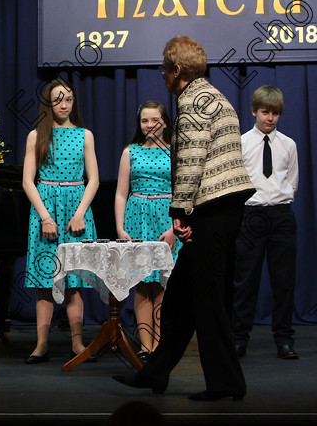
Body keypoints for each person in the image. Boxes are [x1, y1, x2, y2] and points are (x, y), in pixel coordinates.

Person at [113, 35, 254, 401]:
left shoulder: (191, 102)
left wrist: (179, 213)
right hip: (225, 208)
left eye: (164, 69)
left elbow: (191, 162)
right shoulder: (215, 96)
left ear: (177, 70)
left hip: (212, 209)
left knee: (208, 301)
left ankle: (226, 384)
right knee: (181, 298)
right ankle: (155, 374)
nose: (162, 76)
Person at [22, 79, 99, 363]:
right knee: (45, 279)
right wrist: (45, 217)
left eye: (68, 99)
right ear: (49, 104)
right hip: (46, 211)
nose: (64, 105)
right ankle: (41, 344)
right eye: (58, 100)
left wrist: (80, 214)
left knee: (75, 280)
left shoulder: (85, 135)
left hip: (76, 210)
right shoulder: (36, 136)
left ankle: (77, 343)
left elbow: (94, 180)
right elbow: (28, 181)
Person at [232, 86, 299, 360]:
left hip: (281, 215)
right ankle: (238, 338)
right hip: (251, 216)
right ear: (254, 111)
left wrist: (280, 200)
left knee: (284, 281)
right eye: (265, 112)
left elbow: (292, 180)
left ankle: (284, 339)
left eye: (275, 113)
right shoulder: (242, 142)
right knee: (245, 281)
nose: (270, 118)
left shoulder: (288, 144)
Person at [114, 101, 181, 359]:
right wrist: (120, 227)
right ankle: (145, 346)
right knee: (142, 284)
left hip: (167, 219)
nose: (149, 125)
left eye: (155, 120)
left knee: (164, 284)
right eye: (145, 121)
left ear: (165, 121)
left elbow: (183, 192)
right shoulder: (130, 152)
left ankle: (162, 346)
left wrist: (175, 227)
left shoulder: (175, 151)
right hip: (137, 218)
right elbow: (121, 194)